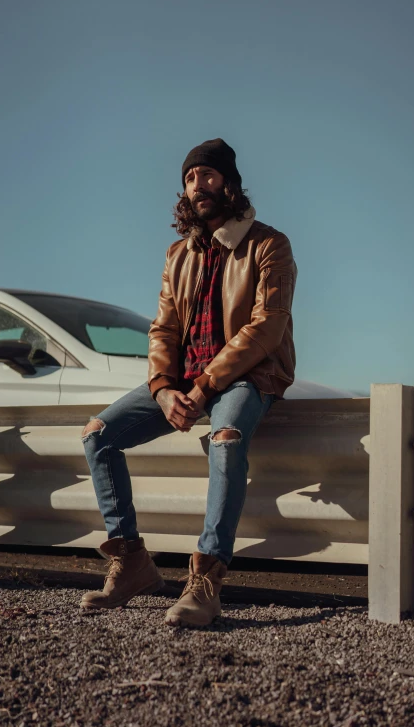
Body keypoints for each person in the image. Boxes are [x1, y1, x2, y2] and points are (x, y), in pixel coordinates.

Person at [80, 138, 297, 628]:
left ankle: (206, 580)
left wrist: (202, 388)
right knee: (98, 435)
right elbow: (164, 329)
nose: (199, 185)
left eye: (209, 175)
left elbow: (266, 327)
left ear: (230, 184)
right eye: (190, 178)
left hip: (246, 376)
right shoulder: (178, 254)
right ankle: (131, 562)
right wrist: (162, 388)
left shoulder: (269, 244)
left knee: (225, 438)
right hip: (182, 382)